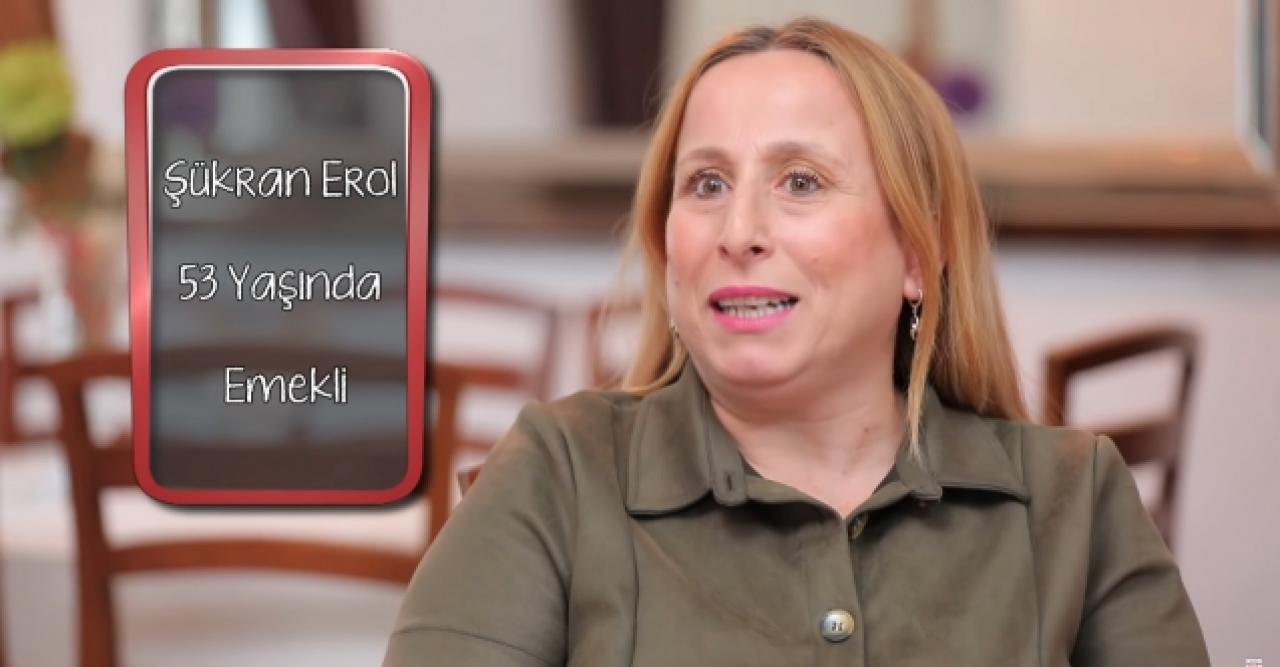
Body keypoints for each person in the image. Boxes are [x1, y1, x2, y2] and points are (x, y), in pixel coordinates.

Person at [384, 17, 1209, 666]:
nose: (737, 230)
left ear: (916, 252)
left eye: (801, 181)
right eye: (707, 183)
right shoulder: (556, 476)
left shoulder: (1075, 501)